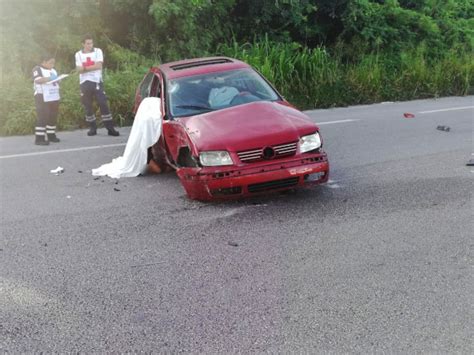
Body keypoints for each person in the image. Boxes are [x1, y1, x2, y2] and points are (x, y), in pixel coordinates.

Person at [75, 34, 119, 136]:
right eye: (87, 43)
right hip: (84, 83)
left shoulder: (98, 51)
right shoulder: (78, 54)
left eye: (91, 43)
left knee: (103, 103)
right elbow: (78, 70)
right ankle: (92, 128)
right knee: (87, 106)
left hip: (97, 81)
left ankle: (110, 128)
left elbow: (99, 66)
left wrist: (85, 68)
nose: (90, 45)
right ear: (83, 44)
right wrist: (90, 67)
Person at [32, 53, 62, 145]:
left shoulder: (53, 70)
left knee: (53, 116)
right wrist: (50, 78)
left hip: (53, 96)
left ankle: (51, 135)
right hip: (42, 96)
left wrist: (58, 79)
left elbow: (56, 81)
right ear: (44, 62)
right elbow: (38, 80)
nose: (52, 65)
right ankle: (39, 138)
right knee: (43, 116)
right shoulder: (37, 69)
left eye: (53, 63)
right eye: (50, 63)